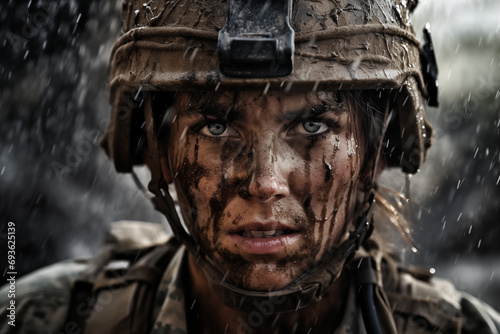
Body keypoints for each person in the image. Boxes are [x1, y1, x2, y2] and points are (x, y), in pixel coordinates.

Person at [1, 0, 499, 333]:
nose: (264, 182)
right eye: (216, 129)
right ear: (156, 149)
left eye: (312, 128)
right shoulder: (36, 319)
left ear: (378, 150)